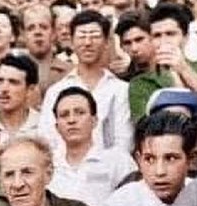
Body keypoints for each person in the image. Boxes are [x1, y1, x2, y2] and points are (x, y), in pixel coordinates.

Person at [38, 9, 134, 154]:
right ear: (71, 41)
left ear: (107, 42)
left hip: (111, 172)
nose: (88, 43)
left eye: (95, 36)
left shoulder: (121, 91)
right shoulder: (56, 91)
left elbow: (125, 142)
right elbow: (47, 140)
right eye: (82, 36)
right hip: (65, 172)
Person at [129, 1, 197, 121]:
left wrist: (184, 70)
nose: (164, 41)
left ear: (185, 37)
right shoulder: (141, 83)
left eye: (170, 34)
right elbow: (143, 125)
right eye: (157, 35)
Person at [48, 87, 135, 206]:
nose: (72, 120)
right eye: (64, 115)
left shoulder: (118, 161)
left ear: (94, 121)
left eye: (80, 112)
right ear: (57, 126)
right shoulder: (47, 165)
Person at [0, 52, 41, 141]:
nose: (4, 89)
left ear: (30, 90)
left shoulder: (42, 126)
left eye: (13, 82)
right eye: (0, 81)